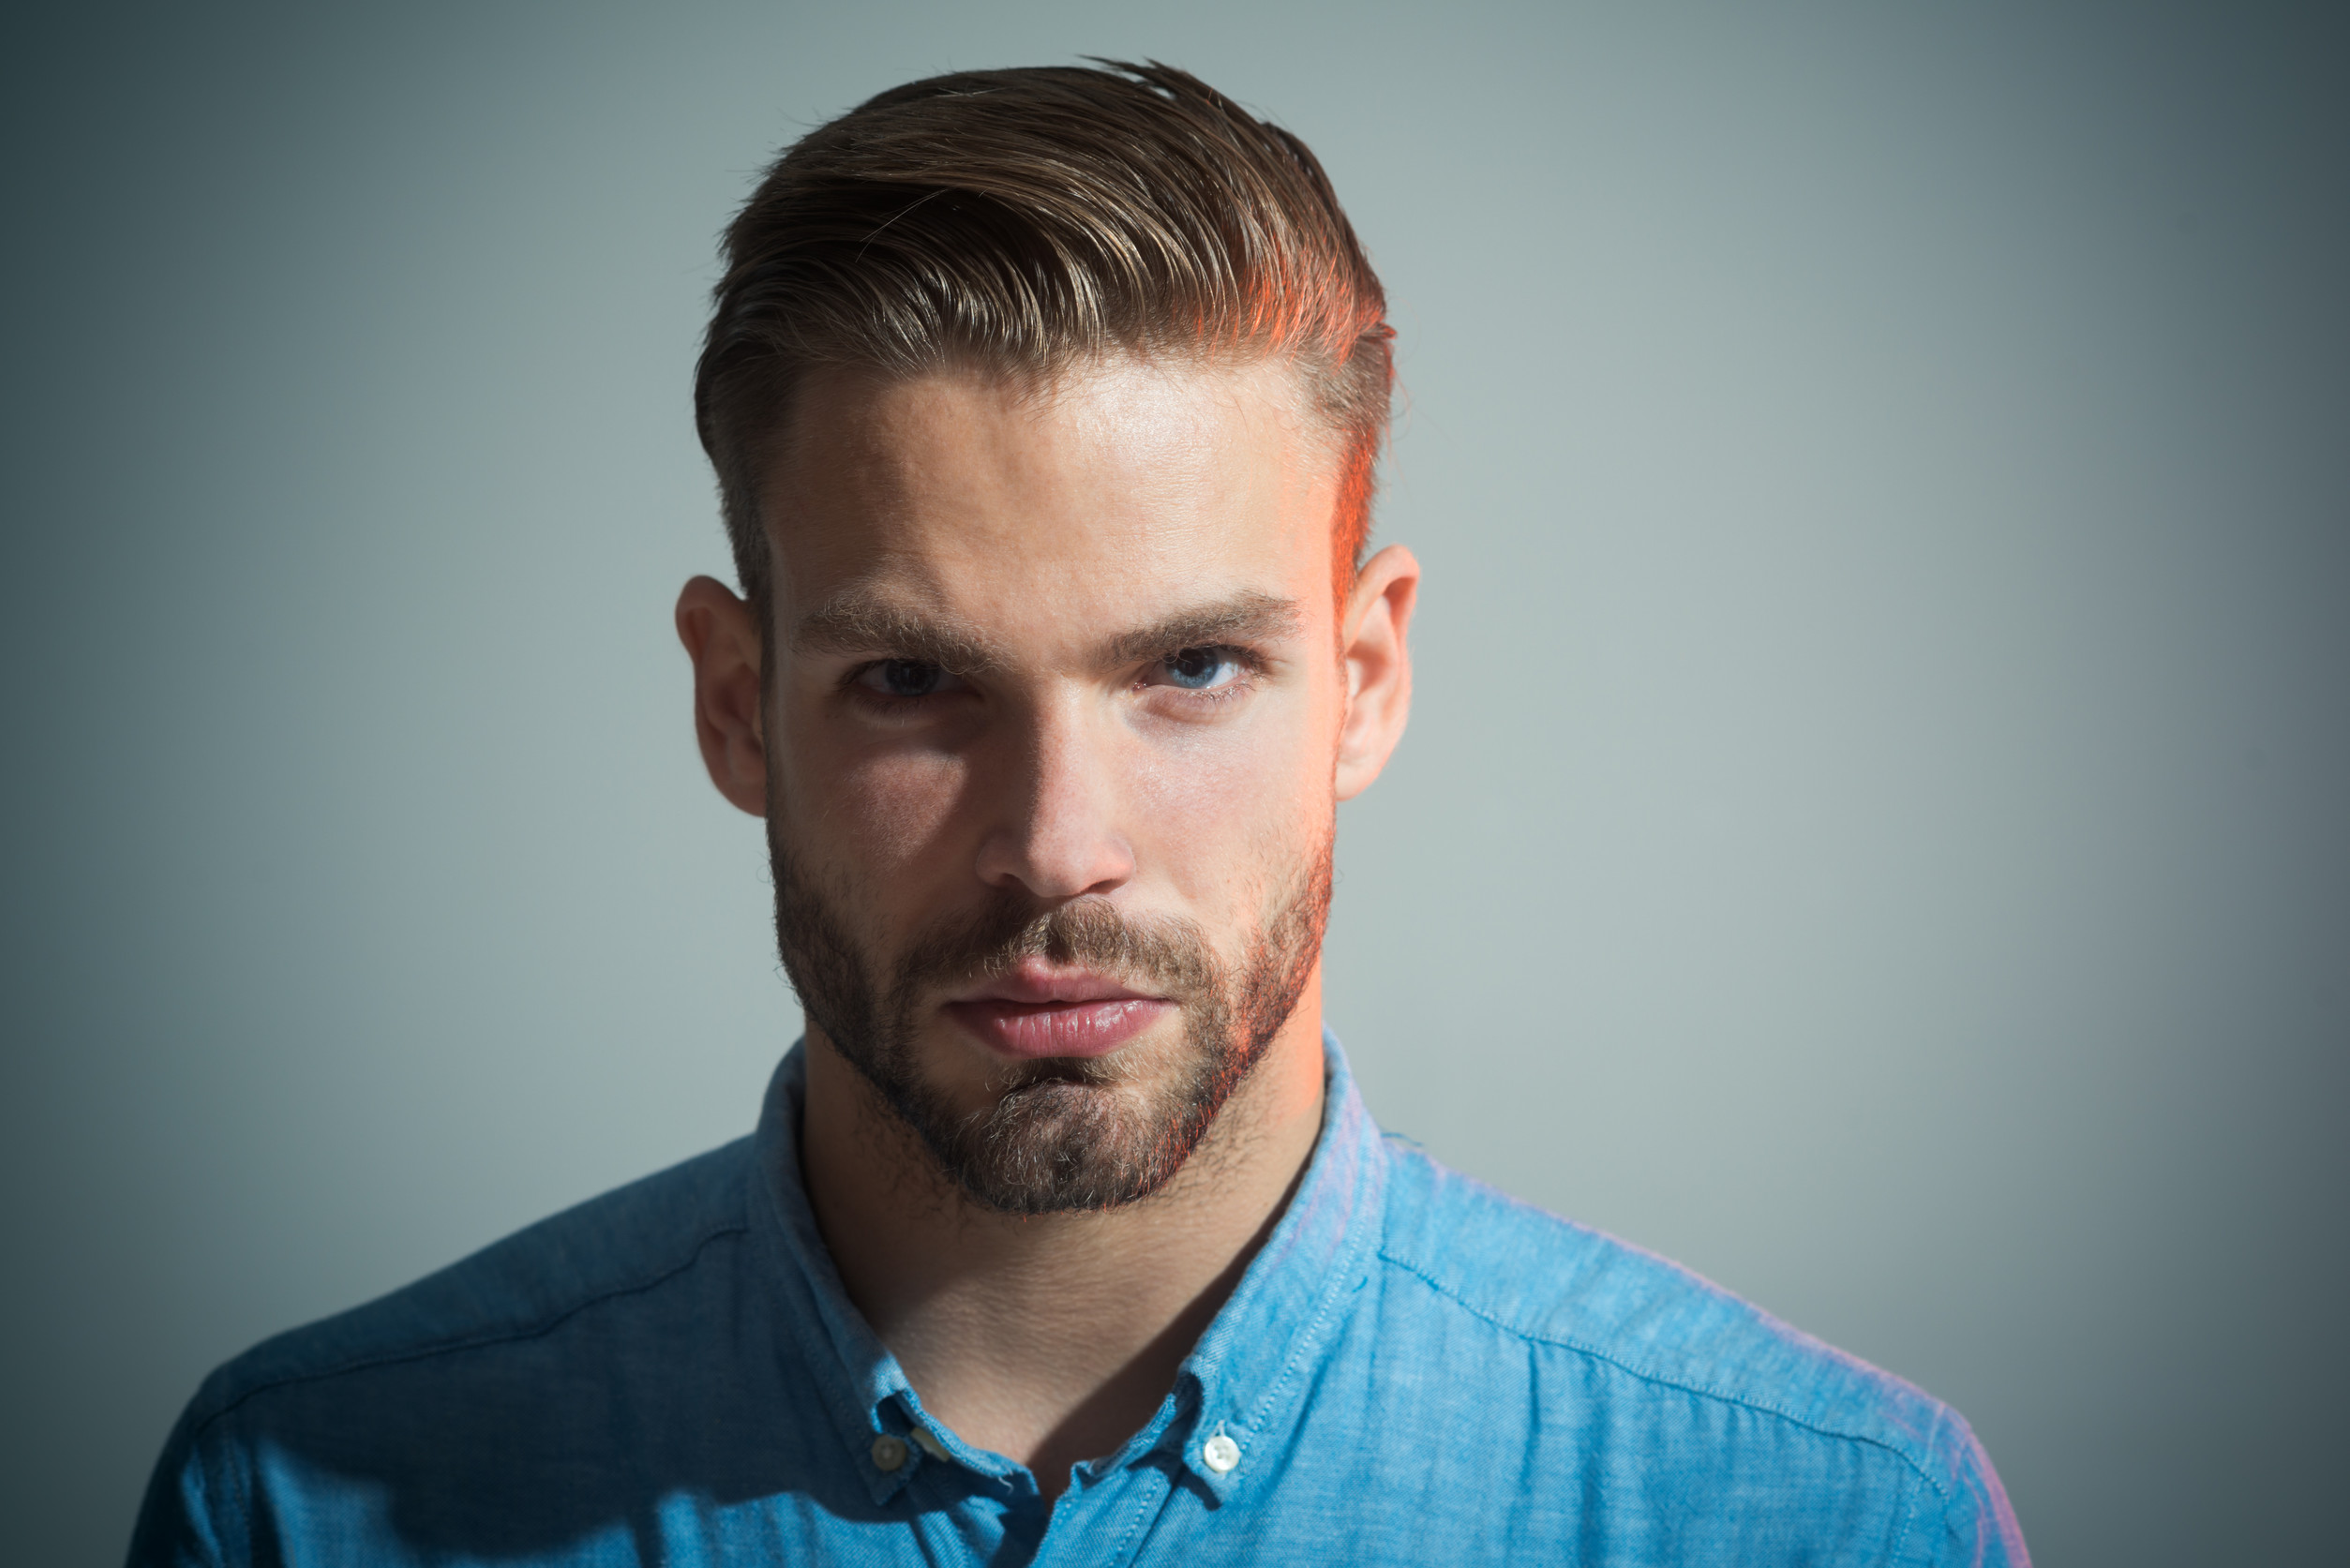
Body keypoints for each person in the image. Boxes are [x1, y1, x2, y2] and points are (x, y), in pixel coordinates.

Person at [129, 61, 2028, 1566]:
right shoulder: (308, 1501)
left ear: (1362, 681)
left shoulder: (1824, 1522)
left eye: (1190, 670)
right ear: (736, 706)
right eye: (912, 683)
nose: (1056, 845)